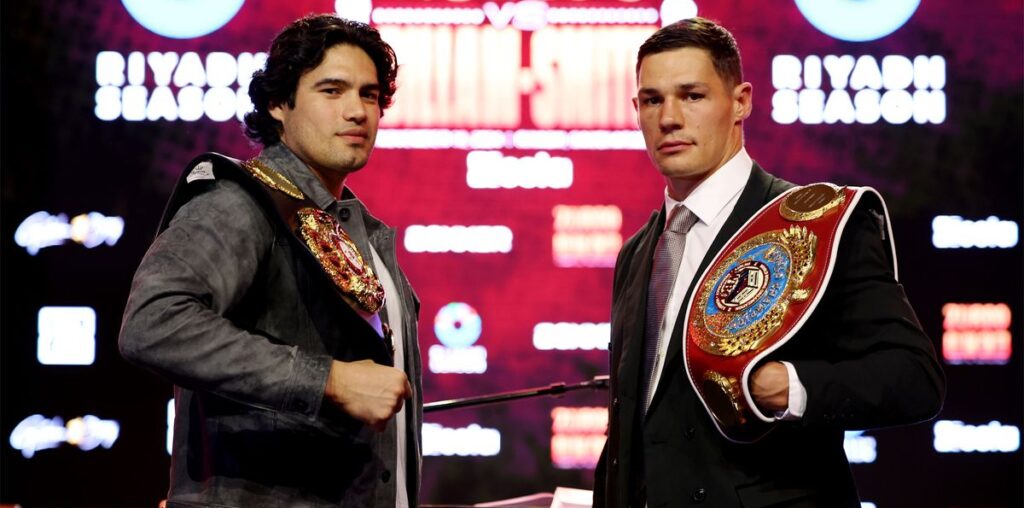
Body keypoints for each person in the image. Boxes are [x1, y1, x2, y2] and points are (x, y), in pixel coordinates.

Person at [594, 17, 944, 507]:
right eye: (653, 100)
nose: (669, 117)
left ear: (741, 102)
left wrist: (791, 388)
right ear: (636, 109)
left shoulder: (818, 225)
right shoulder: (636, 250)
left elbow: (914, 380)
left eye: (692, 95)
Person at [119, 14, 422, 507]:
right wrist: (328, 380)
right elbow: (153, 322)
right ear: (279, 104)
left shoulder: (358, 230)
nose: (357, 111)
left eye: (369, 95)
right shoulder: (240, 203)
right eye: (332, 90)